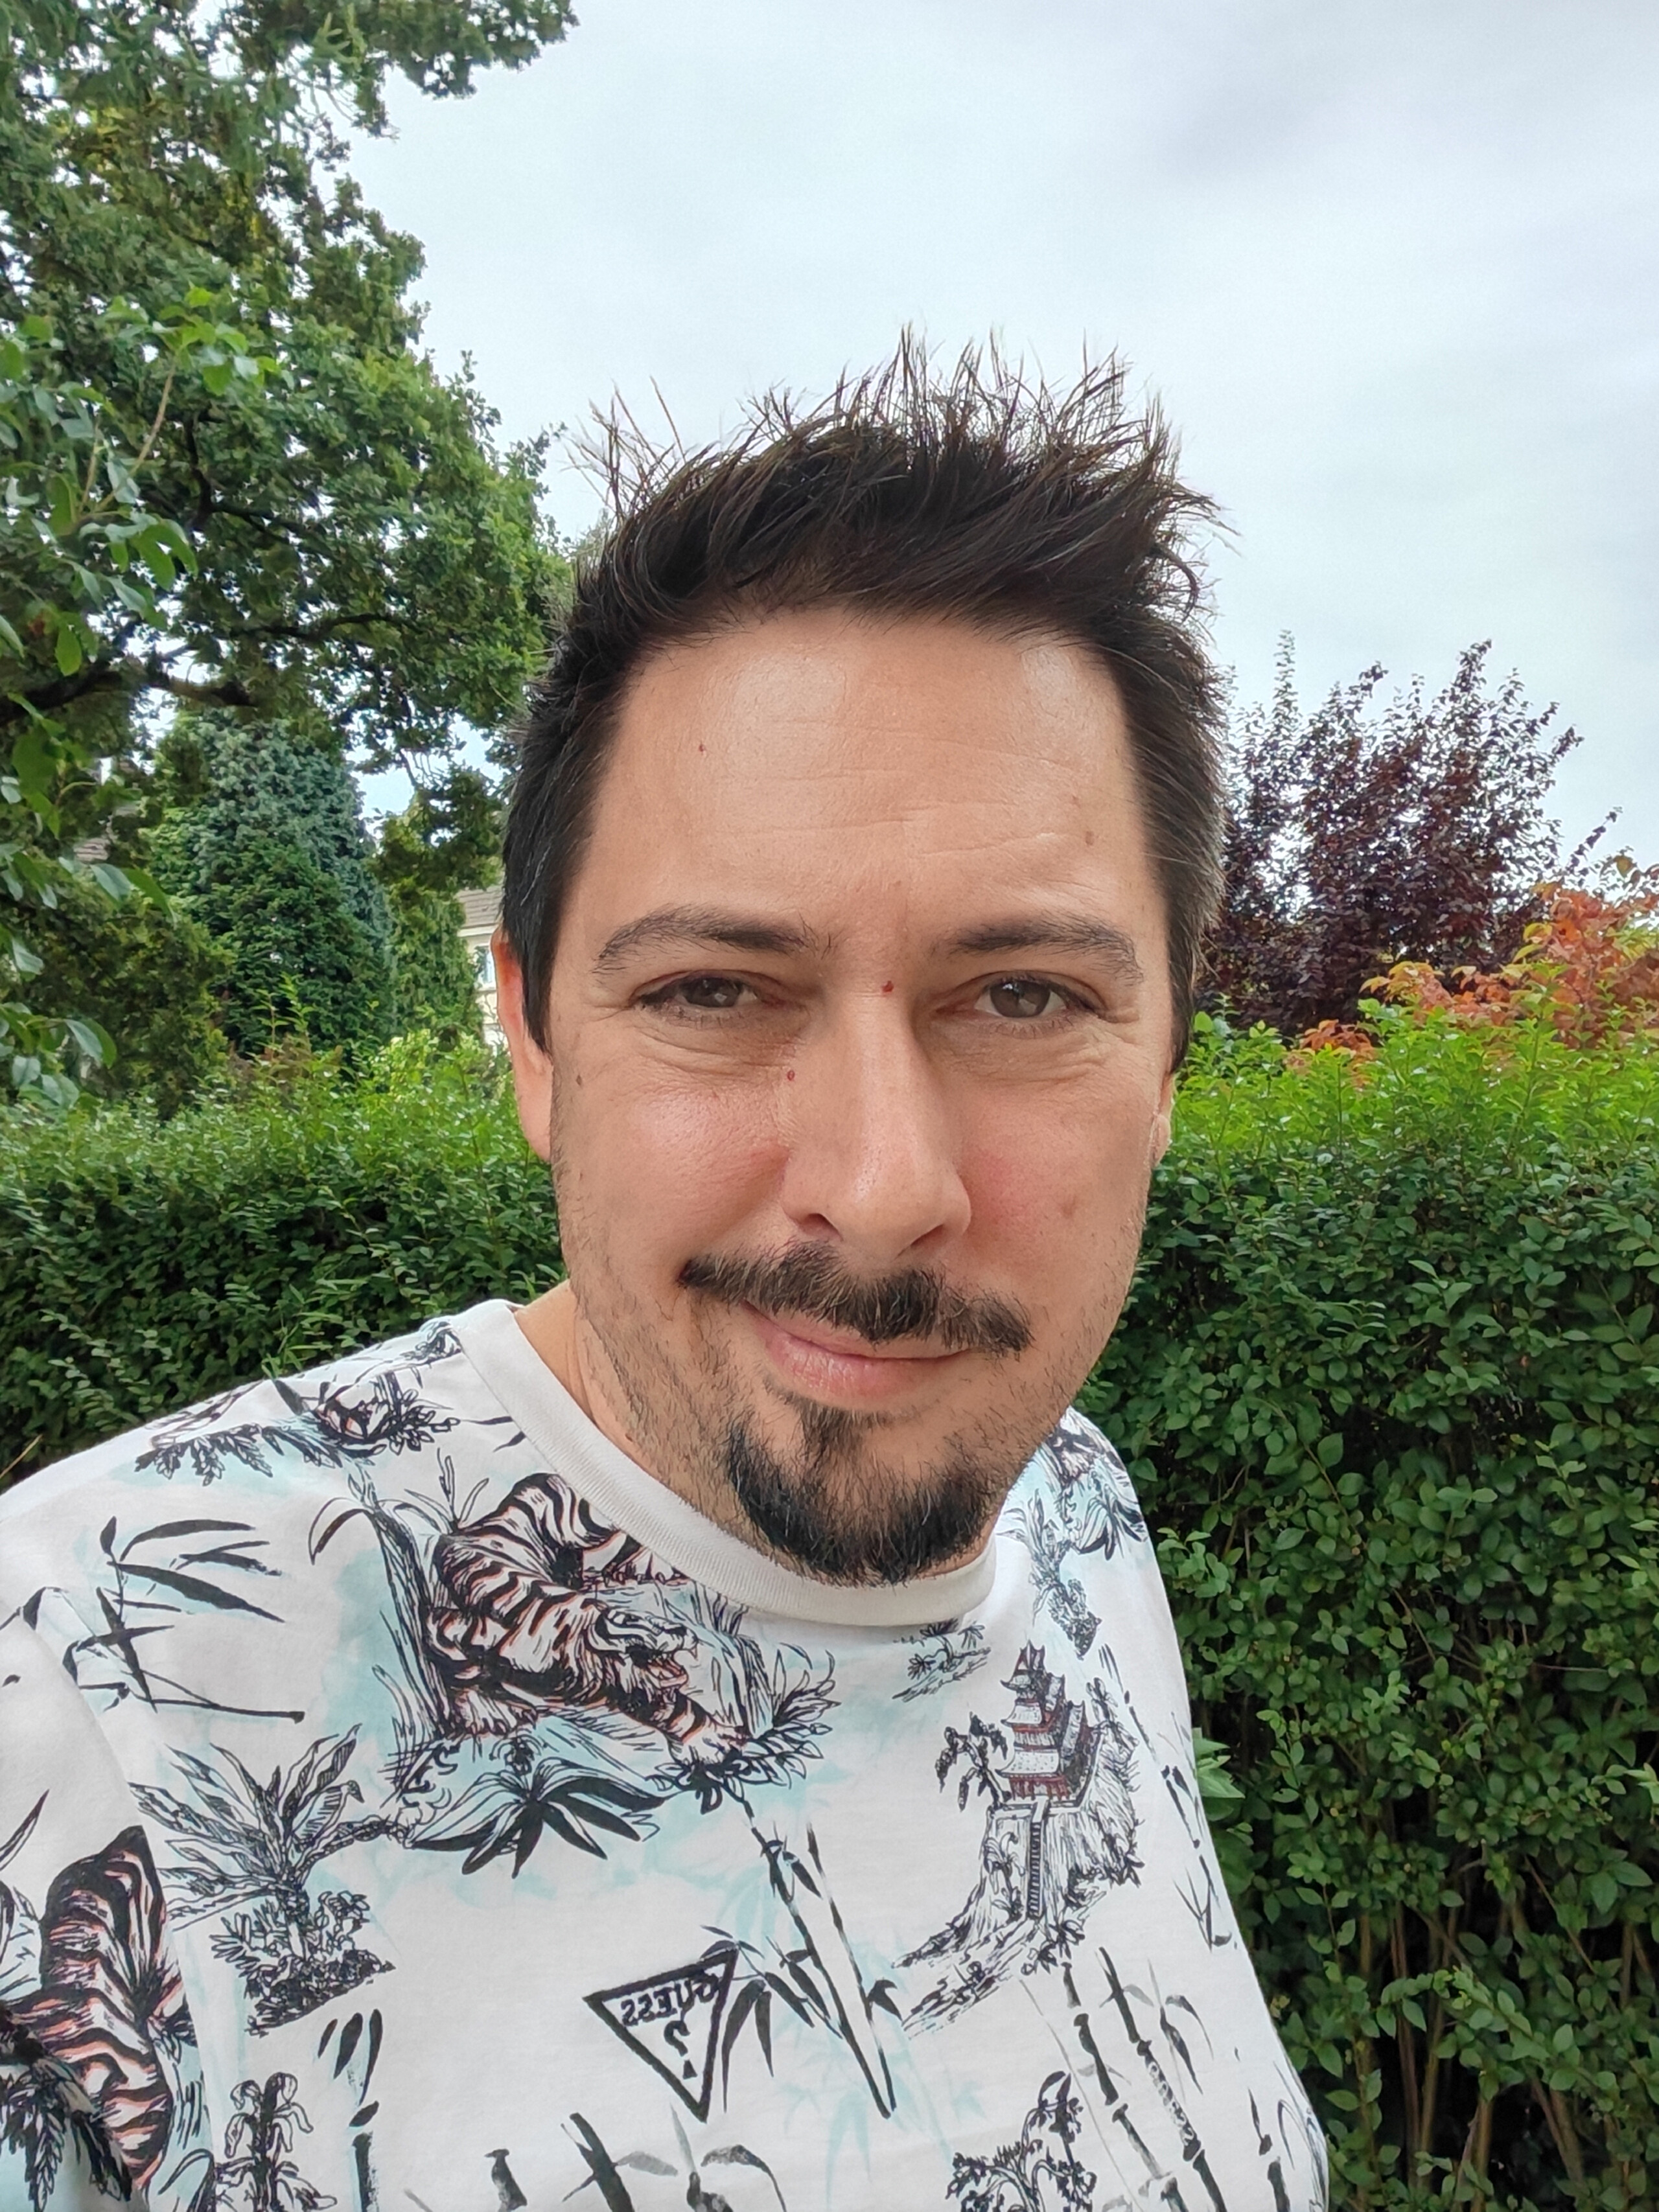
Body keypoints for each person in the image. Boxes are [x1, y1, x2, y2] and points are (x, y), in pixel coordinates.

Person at [0, 346, 1325, 2212]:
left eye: (1024, 996)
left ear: (1172, 1058)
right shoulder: (85, 1688)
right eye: (715, 991)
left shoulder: (1080, 1508)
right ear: (535, 1042)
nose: (882, 1190)